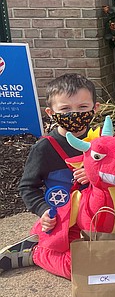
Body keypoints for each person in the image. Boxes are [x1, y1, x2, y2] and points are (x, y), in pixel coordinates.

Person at [0, 73, 98, 274]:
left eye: (82, 107)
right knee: (80, 270)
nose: (74, 114)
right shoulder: (44, 148)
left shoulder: (101, 142)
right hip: (63, 218)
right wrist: (43, 209)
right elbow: (27, 186)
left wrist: (95, 175)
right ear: (51, 113)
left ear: (95, 108)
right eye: (65, 109)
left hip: (95, 215)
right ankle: (35, 251)